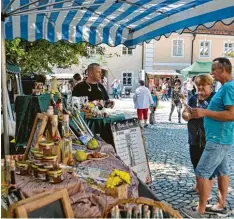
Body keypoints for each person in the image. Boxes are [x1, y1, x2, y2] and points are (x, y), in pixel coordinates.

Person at [182, 57, 234, 218]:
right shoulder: (226, 87)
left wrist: (205, 112)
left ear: (223, 69)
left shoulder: (228, 88)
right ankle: (220, 205)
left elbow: (232, 114)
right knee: (222, 171)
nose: (211, 72)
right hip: (220, 138)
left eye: (214, 69)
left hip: (218, 139)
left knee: (202, 171)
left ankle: (200, 210)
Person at [182, 74, 215, 194]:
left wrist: (203, 113)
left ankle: (205, 189)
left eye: (203, 84)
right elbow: (184, 114)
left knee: (206, 165)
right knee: (195, 161)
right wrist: (188, 115)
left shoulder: (214, 98)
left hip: (209, 137)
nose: (200, 87)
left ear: (210, 85)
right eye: (198, 85)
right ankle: (198, 185)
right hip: (194, 136)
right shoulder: (193, 98)